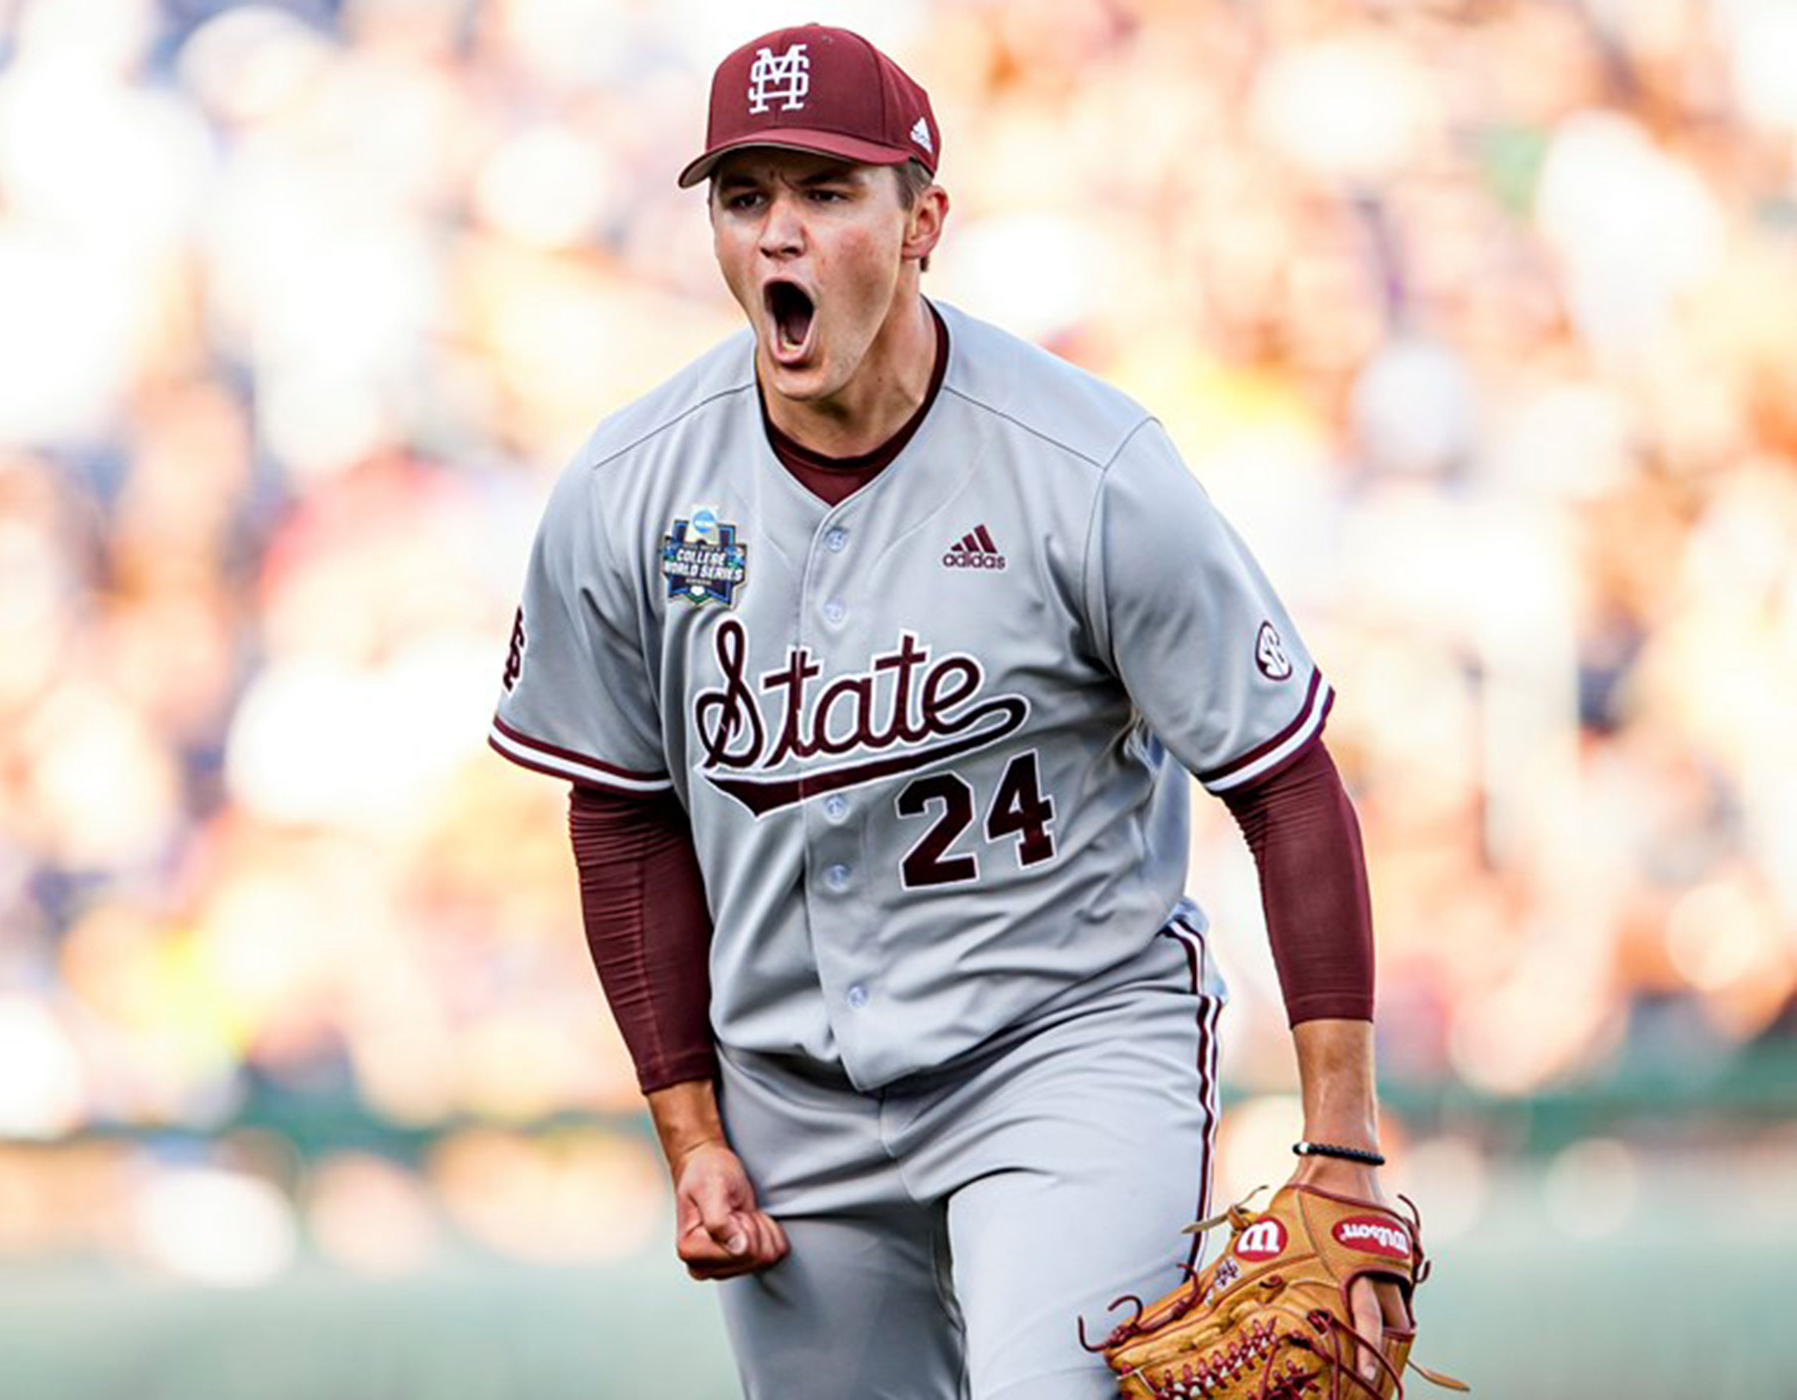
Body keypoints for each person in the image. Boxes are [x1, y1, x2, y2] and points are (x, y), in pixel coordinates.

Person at [489, 24, 1406, 1398]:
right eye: (746, 199)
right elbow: (621, 818)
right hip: (790, 1085)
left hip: (1068, 1046)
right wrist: (690, 1131)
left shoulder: (1086, 467)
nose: (778, 236)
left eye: (826, 192)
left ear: (925, 220)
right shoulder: (629, 488)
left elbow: (1284, 781)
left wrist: (1344, 1143)